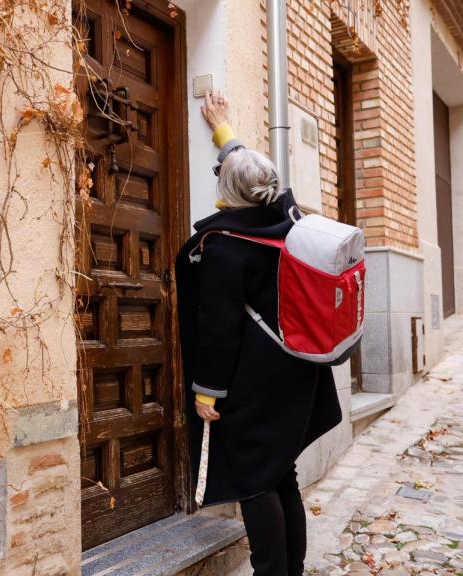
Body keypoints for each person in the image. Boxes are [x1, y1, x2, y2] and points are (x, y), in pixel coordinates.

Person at [175, 91, 343, 576]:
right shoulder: (287, 217)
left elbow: (220, 331)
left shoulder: (226, 248)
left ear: (227, 189)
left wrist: (207, 392)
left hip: (253, 383)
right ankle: (291, 571)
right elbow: (254, 176)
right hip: (298, 369)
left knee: (252, 480)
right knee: (280, 474)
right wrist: (225, 132)